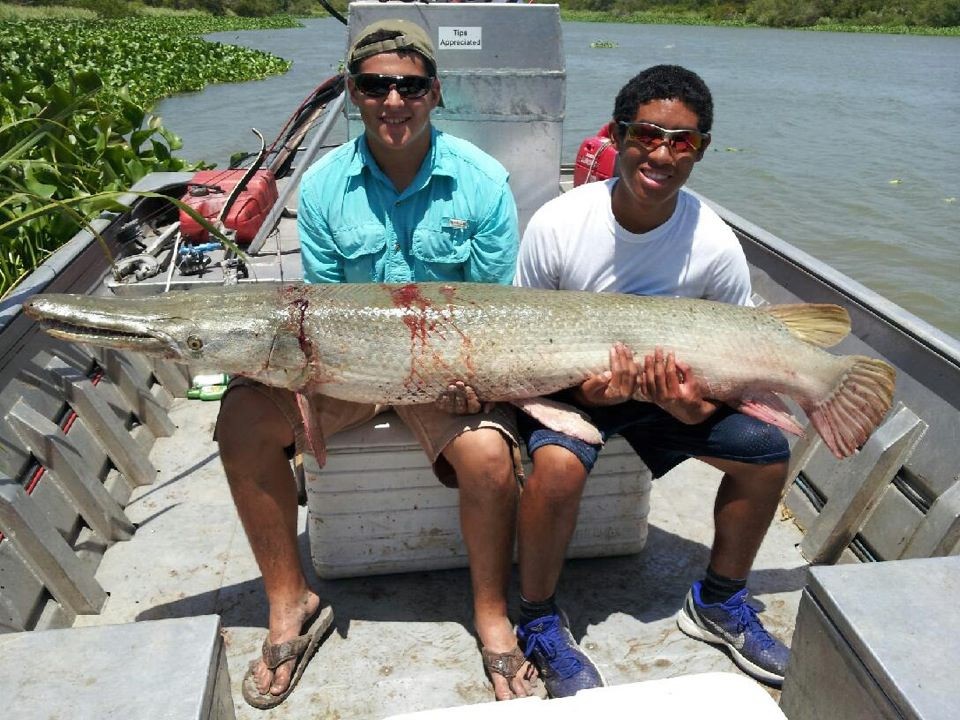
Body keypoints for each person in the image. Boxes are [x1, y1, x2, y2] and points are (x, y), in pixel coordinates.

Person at [216, 19, 534, 708]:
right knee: (239, 420)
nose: (394, 101)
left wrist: (467, 381)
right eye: (376, 85)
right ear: (354, 93)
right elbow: (328, 313)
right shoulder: (326, 187)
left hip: (452, 373)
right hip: (352, 367)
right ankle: (289, 602)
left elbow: (491, 309)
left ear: (434, 92)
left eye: (410, 85)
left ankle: (490, 614)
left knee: (488, 460)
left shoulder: (483, 184)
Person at [512, 64, 792, 696]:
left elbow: (731, 356)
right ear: (617, 135)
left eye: (683, 140)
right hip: (573, 388)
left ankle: (719, 600)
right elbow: (524, 344)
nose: (662, 153)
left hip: (672, 396)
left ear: (701, 150)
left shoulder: (715, 245)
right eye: (646, 134)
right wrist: (587, 395)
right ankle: (536, 616)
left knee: (769, 456)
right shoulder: (558, 224)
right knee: (557, 467)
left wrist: (694, 406)